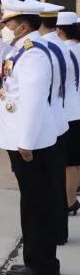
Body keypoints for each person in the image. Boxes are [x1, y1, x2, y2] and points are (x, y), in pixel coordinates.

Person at [0, 0, 60, 275]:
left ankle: (41, 266)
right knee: (32, 202)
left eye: (7, 22)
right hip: (25, 140)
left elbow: (34, 100)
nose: (3, 26)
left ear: (22, 26)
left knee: (36, 205)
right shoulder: (22, 49)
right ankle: (36, 260)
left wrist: (25, 141)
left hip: (31, 143)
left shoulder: (33, 53)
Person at [36, 1, 76, 246]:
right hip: (66, 116)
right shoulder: (64, 47)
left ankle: (55, 230)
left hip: (55, 117)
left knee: (51, 179)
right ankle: (60, 228)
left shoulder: (46, 48)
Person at [56, 11, 80, 215]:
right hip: (76, 110)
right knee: (75, 160)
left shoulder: (60, 51)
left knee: (69, 162)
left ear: (59, 30)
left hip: (68, 111)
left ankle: (69, 200)